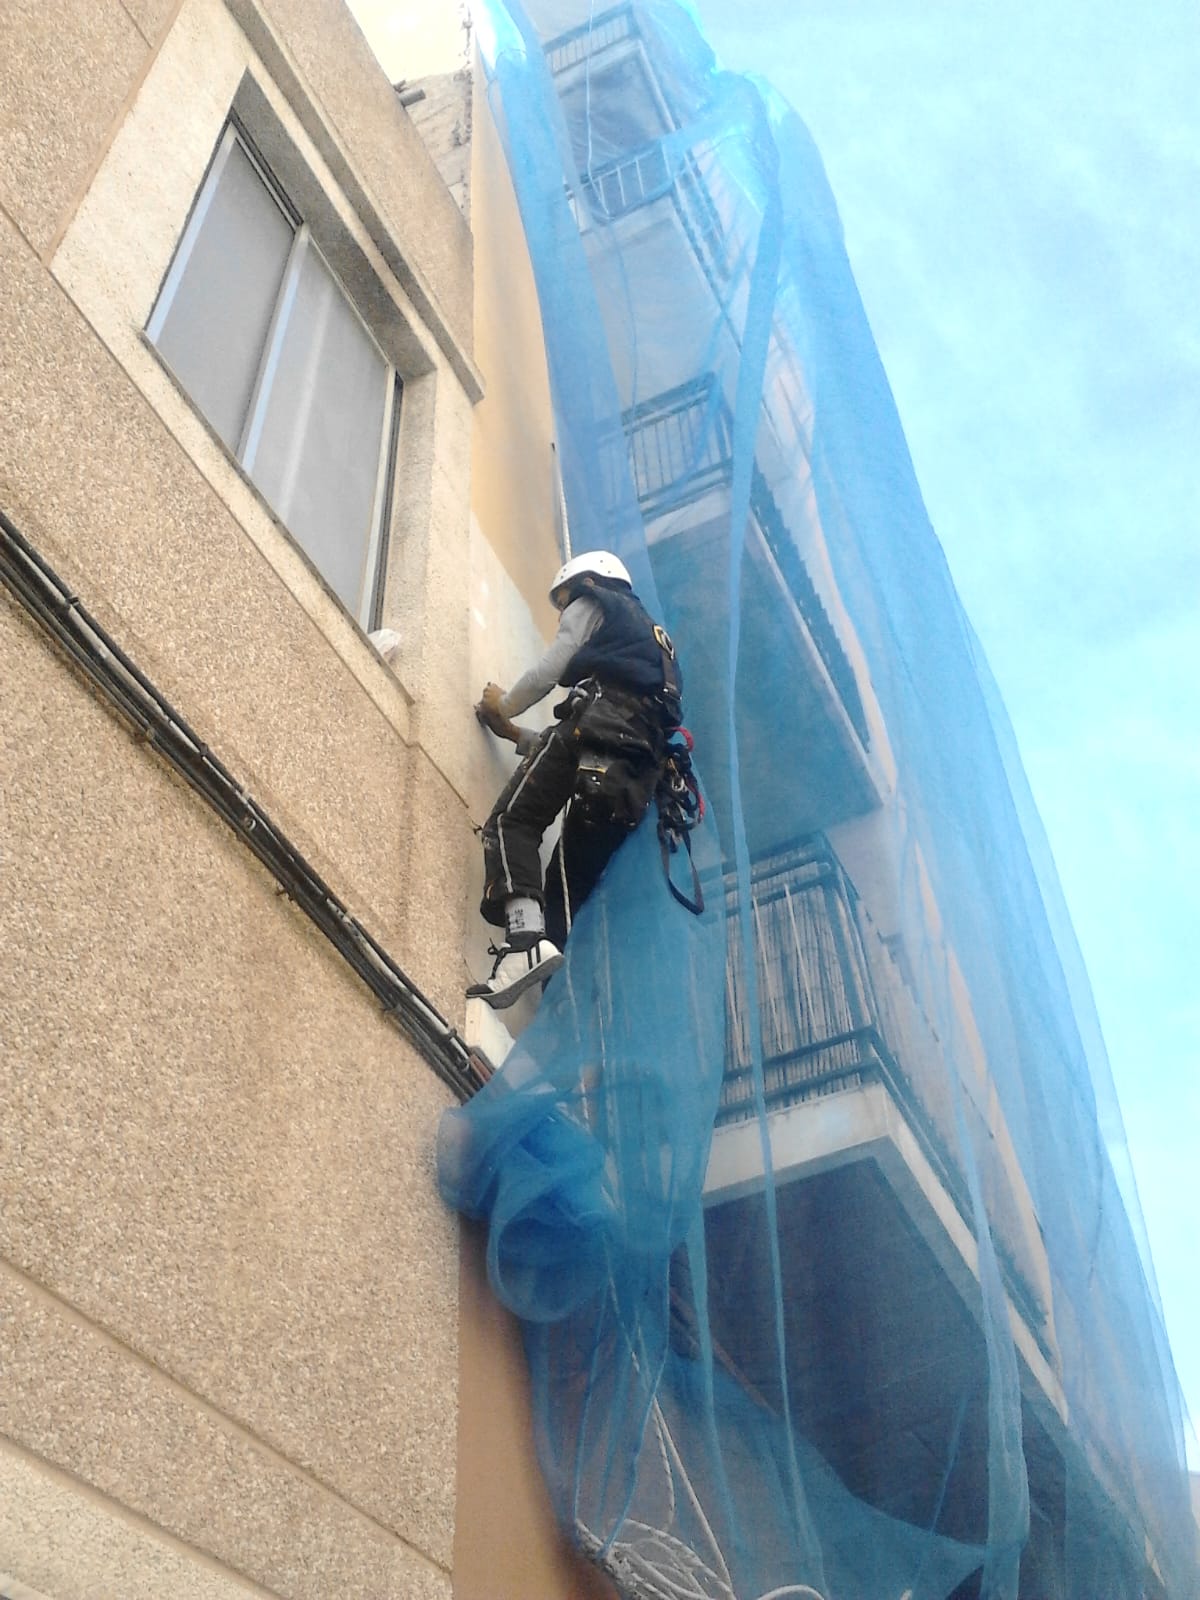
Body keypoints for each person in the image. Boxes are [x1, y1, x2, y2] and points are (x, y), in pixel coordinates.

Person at [470, 550, 683, 1009]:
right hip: (630, 777)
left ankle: (524, 942)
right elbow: (574, 746)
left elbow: (552, 670)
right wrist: (515, 735)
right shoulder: (655, 645)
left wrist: (502, 705)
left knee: (512, 822)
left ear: (590, 579)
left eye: (564, 601)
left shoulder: (597, 598)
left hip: (594, 734)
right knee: (564, 895)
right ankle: (557, 1015)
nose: (566, 612)